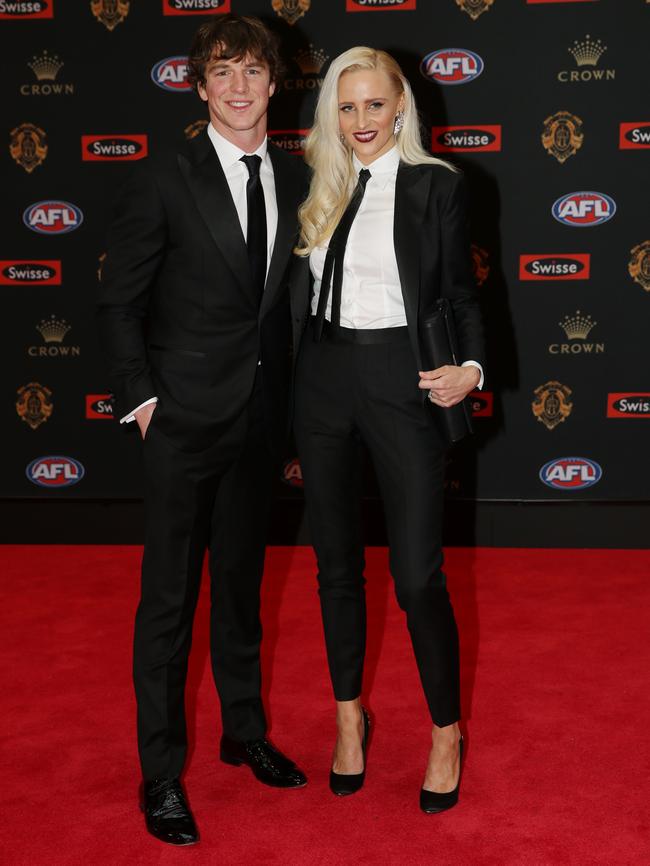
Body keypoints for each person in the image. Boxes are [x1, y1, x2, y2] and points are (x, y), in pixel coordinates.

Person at [97, 15, 308, 847]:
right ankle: (160, 774)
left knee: (243, 593)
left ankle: (244, 730)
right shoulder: (164, 178)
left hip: (261, 422)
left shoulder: (297, 177)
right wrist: (143, 401)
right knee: (169, 603)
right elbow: (120, 301)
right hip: (181, 422)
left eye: (252, 70)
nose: (239, 87)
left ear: (273, 83)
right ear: (199, 87)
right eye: (222, 72)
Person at [290, 47, 485, 812]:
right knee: (335, 565)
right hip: (323, 384)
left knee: (415, 577)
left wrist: (470, 367)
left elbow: (464, 292)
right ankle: (349, 719)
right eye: (347, 106)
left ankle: (446, 732)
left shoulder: (437, 186)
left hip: (403, 384)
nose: (361, 121)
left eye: (375, 105)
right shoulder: (318, 185)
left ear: (400, 108)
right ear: (331, 115)